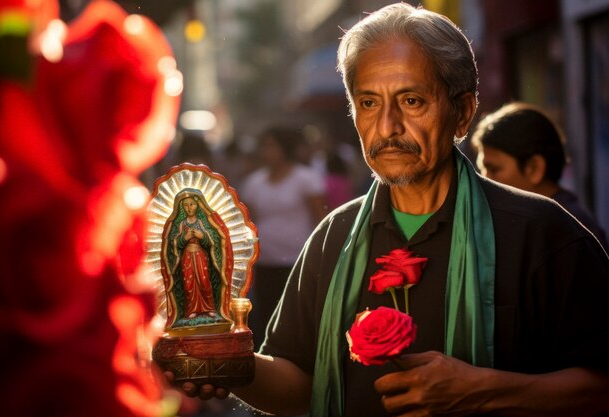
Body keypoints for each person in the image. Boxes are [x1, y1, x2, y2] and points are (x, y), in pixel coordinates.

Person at [172, 3, 609, 417]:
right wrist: (227, 362)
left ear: (463, 113)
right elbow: (297, 379)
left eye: (411, 100)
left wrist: (483, 390)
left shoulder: (540, 233)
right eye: (368, 103)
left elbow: (599, 388)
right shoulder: (334, 237)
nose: (387, 127)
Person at [471, 101, 607, 249]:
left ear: (534, 168)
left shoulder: (558, 231)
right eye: (482, 170)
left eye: (494, 170)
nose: (485, 180)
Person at [240, 125, 327, 348]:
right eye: (264, 146)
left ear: (285, 149)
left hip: (299, 260)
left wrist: (323, 254)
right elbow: (249, 222)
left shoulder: (306, 178)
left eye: (272, 146)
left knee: (300, 316)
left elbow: (321, 218)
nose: (267, 152)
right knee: (269, 315)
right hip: (265, 261)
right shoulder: (254, 182)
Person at [163, 189, 232, 328]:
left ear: (198, 205)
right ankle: (191, 310)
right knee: (189, 284)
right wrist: (184, 238)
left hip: (200, 255)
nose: (189, 208)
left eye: (192, 204)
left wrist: (202, 236)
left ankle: (209, 309)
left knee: (204, 281)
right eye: (186, 205)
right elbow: (173, 243)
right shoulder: (181, 224)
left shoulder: (202, 222)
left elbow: (213, 239)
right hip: (187, 257)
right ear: (182, 207)